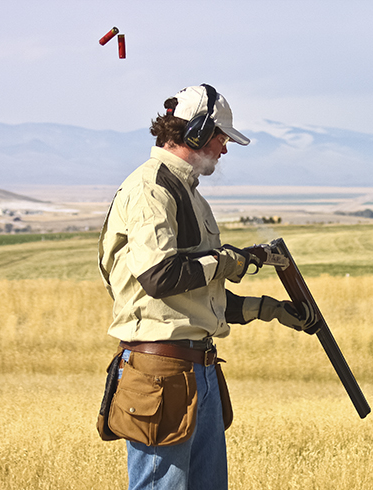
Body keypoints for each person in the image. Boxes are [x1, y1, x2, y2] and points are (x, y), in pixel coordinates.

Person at [97, 84, 317, 490]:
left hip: (198, 368)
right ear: (195, 132)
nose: (224, 149)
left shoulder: (185, 190)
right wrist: (232, 260)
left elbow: (196, 297)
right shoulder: (152, 189)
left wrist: (271, 310)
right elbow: (160, 277)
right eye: (220, 137)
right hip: (162, 372)